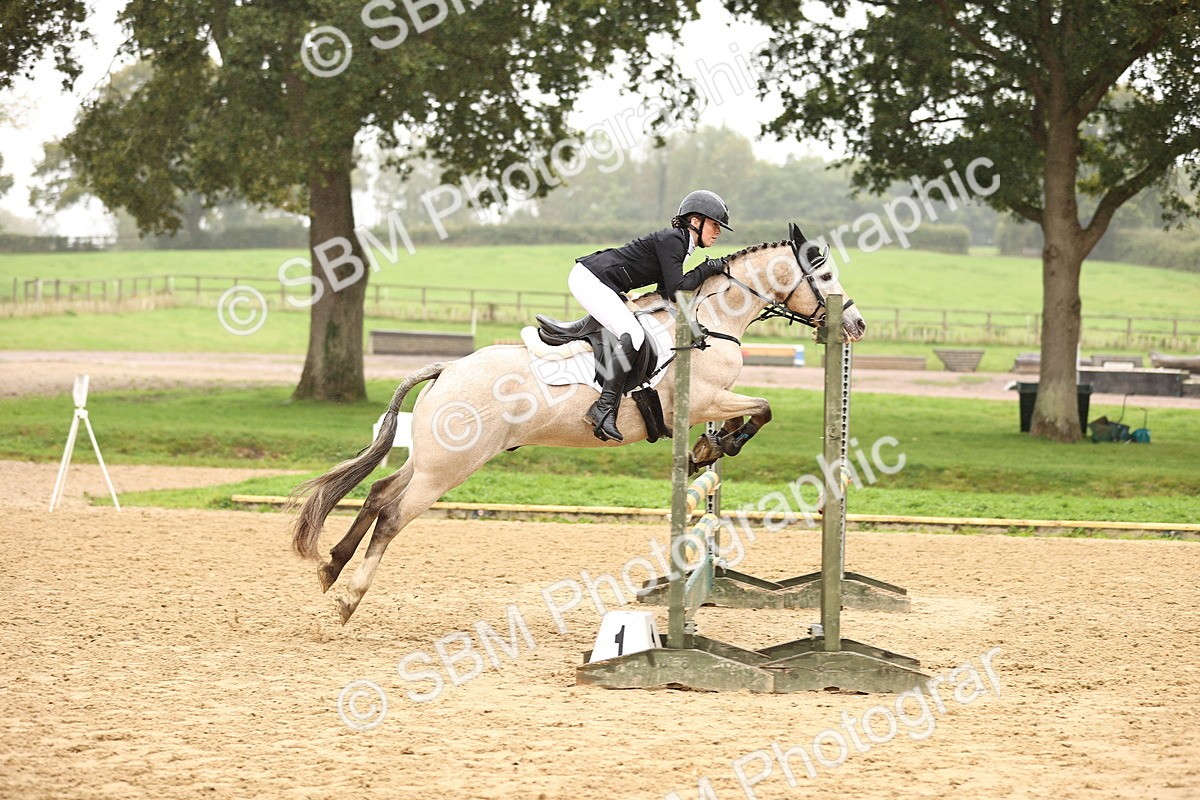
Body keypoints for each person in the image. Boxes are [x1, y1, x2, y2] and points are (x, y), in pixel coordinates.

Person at [569, 189, 732, 442]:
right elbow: (678, 288)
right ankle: (603, 408)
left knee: (638, 330)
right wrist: (706, 268)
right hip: (591, 279)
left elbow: (667, 292)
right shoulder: (674, 240)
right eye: (714, 224)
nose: (718, 231)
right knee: (633, 334)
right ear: (696, 221)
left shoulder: (679, 243)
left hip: (599, 281)